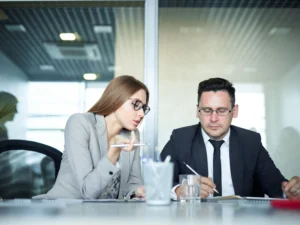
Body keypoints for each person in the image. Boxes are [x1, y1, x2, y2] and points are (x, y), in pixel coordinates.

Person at [160, 78, 300, 200]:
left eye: (221, 110)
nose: (214, 119)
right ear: (198, 111)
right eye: (207, 110)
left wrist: (290, 190)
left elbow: (276, 185)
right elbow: (157, 181)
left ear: (234, 111)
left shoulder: (251, 142)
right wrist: (178, 190)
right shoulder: (180, 139)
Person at [35, 75, 150, 199]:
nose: (141, 113)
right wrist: (114, 152)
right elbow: (88, 192)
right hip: (66, 211)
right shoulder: (79, 123)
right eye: (136, 104)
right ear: (117, 99)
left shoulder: (131, 134)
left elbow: (133, 182)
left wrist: (137, 191)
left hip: (106, 214)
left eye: (143, 108)